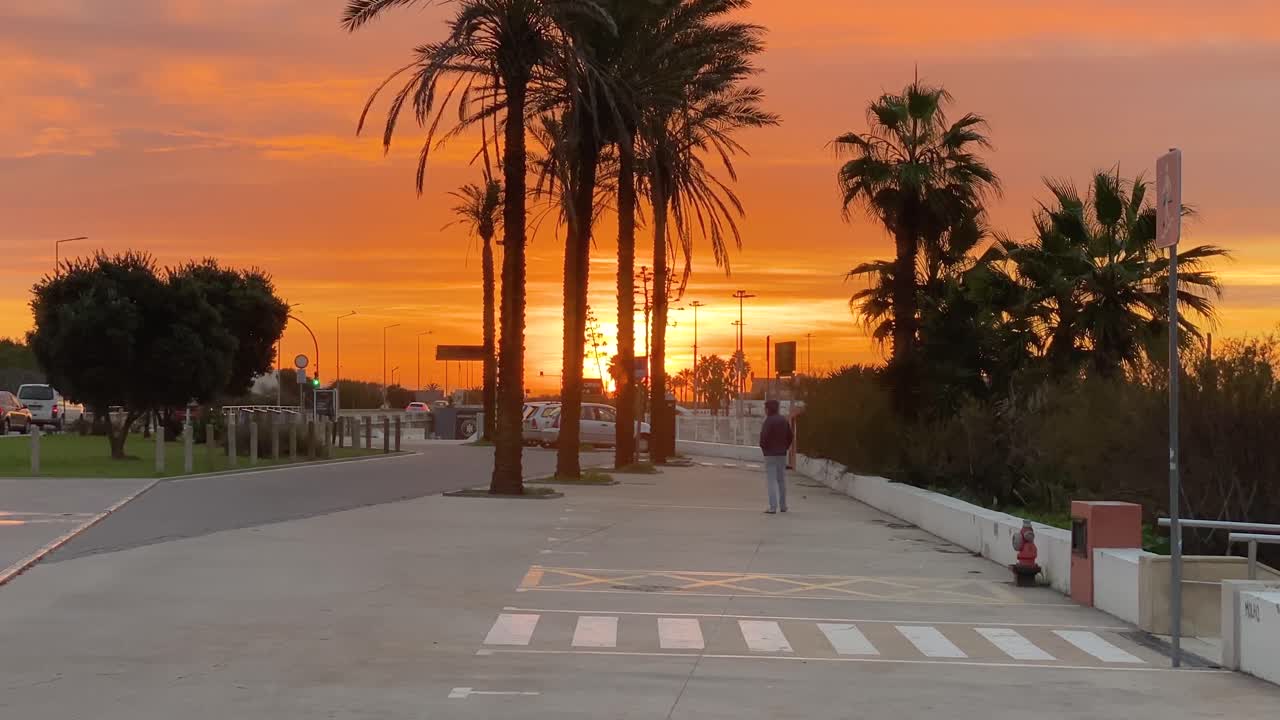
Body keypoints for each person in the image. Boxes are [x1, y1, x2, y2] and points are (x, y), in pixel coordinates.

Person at [758, 399, 794, 514]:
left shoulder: (768, 421)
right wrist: (785, 448)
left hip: (770, 455)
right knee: (781, 480)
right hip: (782, 454)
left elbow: (763, 438)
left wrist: (764, 449)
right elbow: (790, 436)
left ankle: (773, 507)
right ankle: (783, 506)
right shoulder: (783, 420)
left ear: (768, 409)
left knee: (771, 481)